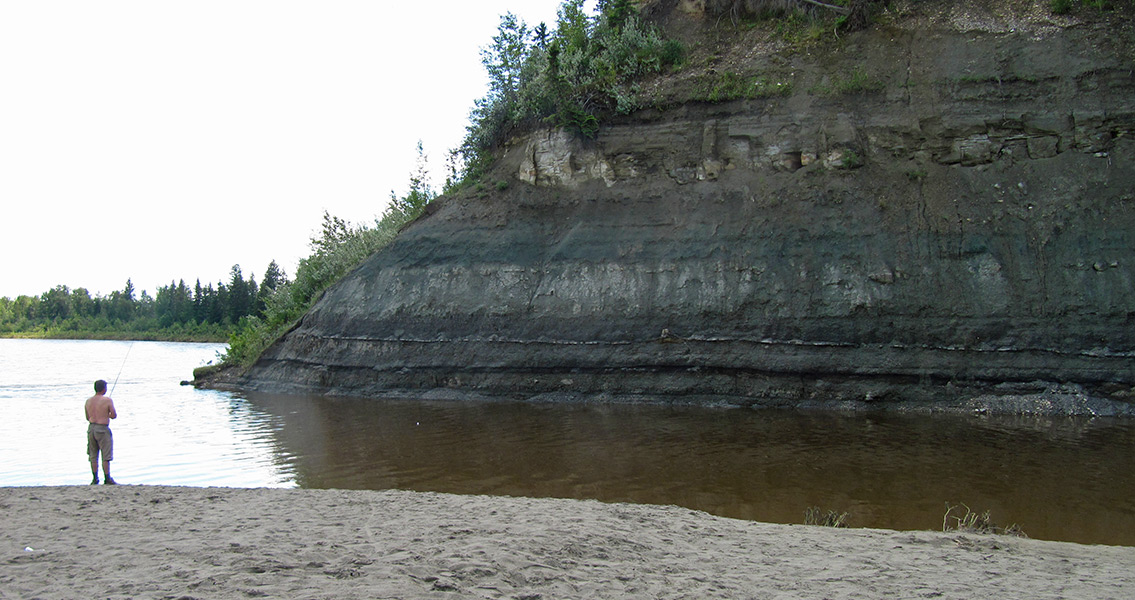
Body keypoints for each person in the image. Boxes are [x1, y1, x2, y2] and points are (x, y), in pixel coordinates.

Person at [84, 379, 118, 485]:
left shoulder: (88, 401)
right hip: (102, 429)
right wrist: (106, 414)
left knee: (93, 455)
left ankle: (95, 479)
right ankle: (107, 478)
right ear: (104, 388)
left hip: (91, 429)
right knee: (106, 455)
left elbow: (87, 417)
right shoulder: (107, 400)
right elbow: (113, 415)